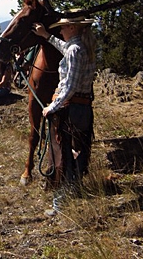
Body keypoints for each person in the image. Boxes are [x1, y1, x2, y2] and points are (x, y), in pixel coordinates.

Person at [32, 12, 96, 217]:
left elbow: (70, 85)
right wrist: (46, 36)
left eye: (62, 27)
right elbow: (64, 47)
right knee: (77, 151)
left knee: (67, 154)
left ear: (72, 28)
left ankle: (63, 202)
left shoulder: (75, 51)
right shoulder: (77, 48)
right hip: (81, 107)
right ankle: (74, 190)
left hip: (72, 107)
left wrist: (52, 107)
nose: (60, 30)